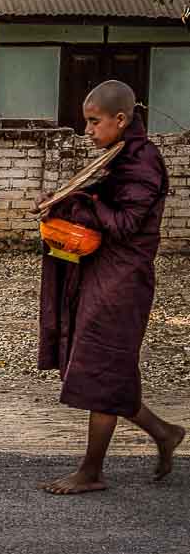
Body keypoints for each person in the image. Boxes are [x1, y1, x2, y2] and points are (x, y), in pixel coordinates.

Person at [38, 80, 184, 494]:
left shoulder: (144, 161)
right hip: (105, 273)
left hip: (123, 280)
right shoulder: (122, 156)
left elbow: (122, 224)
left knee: (103, 367)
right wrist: (64, 200)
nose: (87, 131)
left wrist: (82, 200)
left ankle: (91, 471)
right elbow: (105, 205)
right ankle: (164, 432)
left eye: (93, 122)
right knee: (107, 368)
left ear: (120, 119)